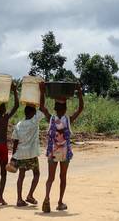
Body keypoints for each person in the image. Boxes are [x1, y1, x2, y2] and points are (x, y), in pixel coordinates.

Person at [39, 82, 84, 213]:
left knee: (50, 178)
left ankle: (47, 198)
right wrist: (79, 92)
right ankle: (59, 202)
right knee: (62, 177)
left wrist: (42, 91)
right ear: (64, 108)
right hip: (65, 152)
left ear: (55, 107)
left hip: (53, 151)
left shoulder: (51, 118)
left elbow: (42, 107)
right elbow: (80, 108)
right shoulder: (68, 119)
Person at [0, 86, 19, 205]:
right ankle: (0, 197)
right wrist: (14, 91)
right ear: (3, 109)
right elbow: (16, 106)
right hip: (2, 147)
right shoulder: (5, 118)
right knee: (3, 173)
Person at [11, 104, 44, 207]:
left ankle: (19, 199)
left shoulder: (19, 124)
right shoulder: (34, 122)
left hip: (20, 154)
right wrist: (42, 91)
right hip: (31, 154)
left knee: (21, 176)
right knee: (36, 174)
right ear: (32, 113)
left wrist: (13, 156)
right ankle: (30, 195)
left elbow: (15, 142)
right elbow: (42, 108)